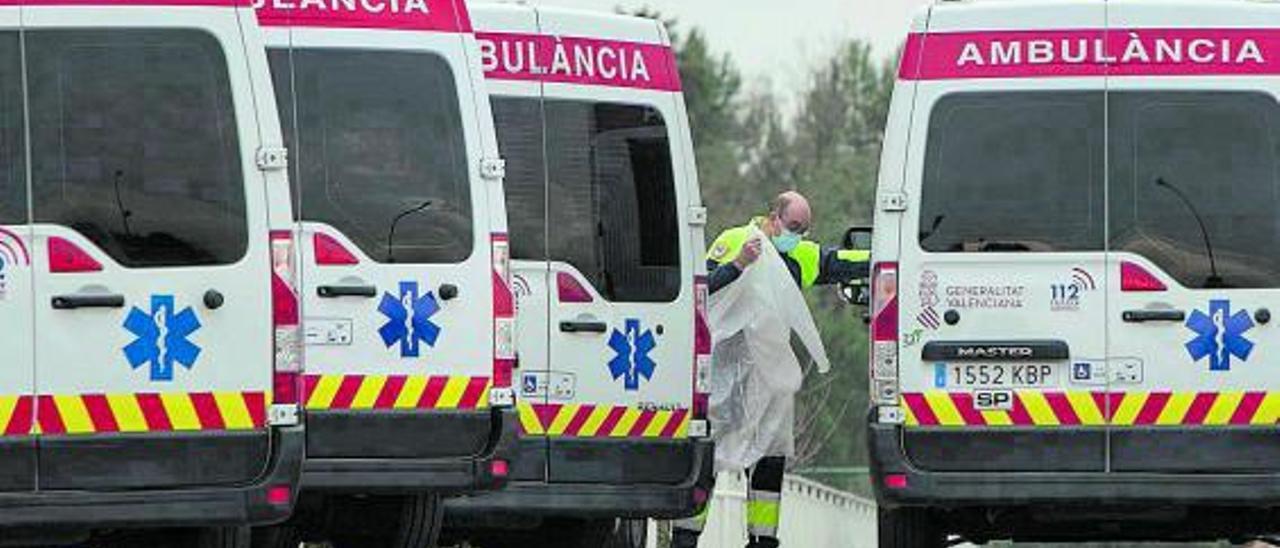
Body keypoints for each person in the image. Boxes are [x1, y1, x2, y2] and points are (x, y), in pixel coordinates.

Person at [673, 191, 869, 548]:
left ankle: (762, 541)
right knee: (707, 456)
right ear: (773, 218)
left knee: (769, 459)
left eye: (805, 229)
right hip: (725, 372)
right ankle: (685, 538)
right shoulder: (734, 240)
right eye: (794, 226)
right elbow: (700, 290)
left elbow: (840, 262)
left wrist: (888, 255)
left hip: (767, 377)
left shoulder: (800, 254)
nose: (799, 235)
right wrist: (739, 264)